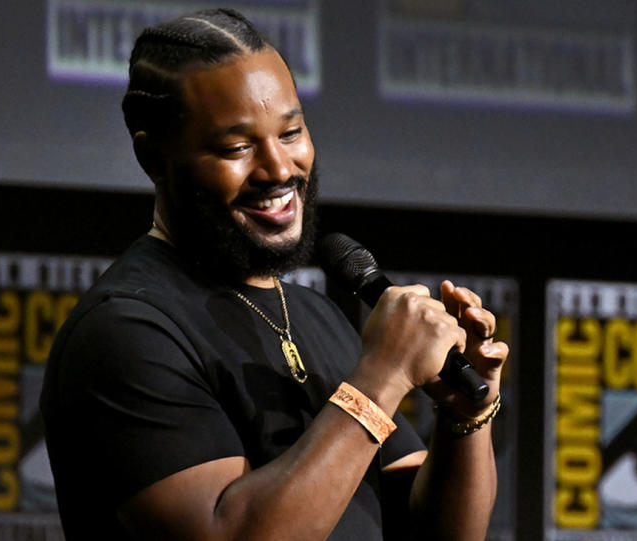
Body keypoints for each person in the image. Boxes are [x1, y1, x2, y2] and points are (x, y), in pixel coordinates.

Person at [41, 8, 509, 540]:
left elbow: (435, 534)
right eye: (237, 147)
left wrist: (464, 415)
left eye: (291, 132)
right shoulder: (126, 331)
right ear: (154, 157)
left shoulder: (314, 315)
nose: (280, 169)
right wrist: (380, 380)